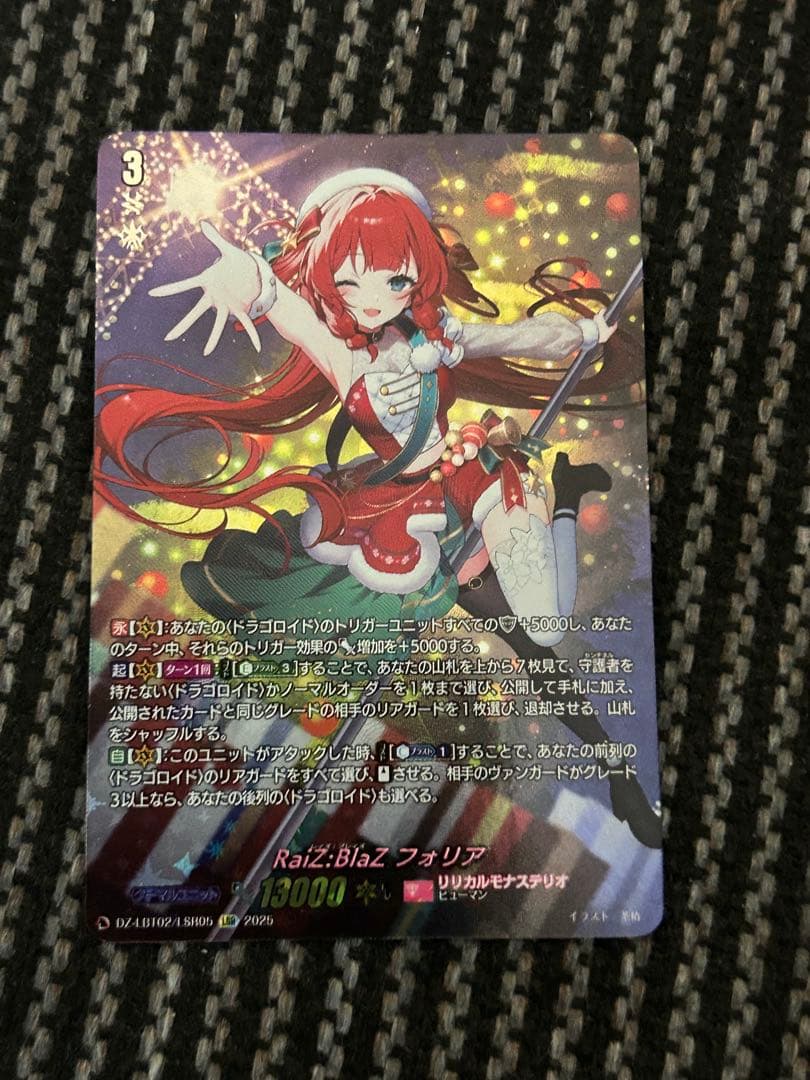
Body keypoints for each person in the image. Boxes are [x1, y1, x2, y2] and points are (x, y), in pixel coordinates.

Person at [96, 168, 618, 646]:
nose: (372, 300)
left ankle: (565, 501)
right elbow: (279, 301)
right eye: (348, 280)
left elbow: (519, 337)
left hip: (469, 470)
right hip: (394, 495)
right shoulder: (339, 353)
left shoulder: (439, 336)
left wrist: (587, 332)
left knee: (546, 629)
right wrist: (249, 277)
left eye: (395, 280)